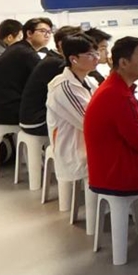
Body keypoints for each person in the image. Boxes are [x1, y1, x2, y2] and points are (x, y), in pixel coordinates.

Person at [85, 37, 138, 199]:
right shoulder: (118, 95)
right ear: (123, 63)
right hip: (119, 173)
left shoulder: (114, 87)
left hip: (110, 167)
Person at [46, 34, 99, 203]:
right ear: (73, 59)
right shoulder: (64, 87)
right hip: (75, 148)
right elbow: (90, 123)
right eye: (90, 54)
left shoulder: (89, 81)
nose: (96, 58)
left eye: (97, 53)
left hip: (88, 140)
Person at [0, 17, 53, 126]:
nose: (47, 35)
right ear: (29, 33)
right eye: (43, 31)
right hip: (9, 111)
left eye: (49, 32)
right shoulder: (26, 53)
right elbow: (45, 81)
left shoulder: (18, 48)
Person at [19, 26, 82, 136]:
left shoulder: (53, 58)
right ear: (62, 44)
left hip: (31, 117)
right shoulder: (57, 64)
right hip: (37, 122)